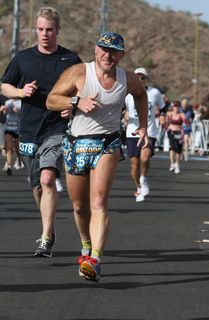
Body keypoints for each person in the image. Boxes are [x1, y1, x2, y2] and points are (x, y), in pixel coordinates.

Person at [46, 32, 148, 281]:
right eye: (103, 49)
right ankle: (85, 245)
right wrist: (76, 101)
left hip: (108, 145)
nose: (107, 55)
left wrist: (143, 125)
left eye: (113, 51)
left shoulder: (128, 79)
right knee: (80, 206)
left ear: (121, 55)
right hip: (76, 145)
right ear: (95, 50)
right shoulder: (80, 72)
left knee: (99, 202)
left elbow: (141, 95)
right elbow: (51, 100)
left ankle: (96, 258)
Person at [1, 6, 82, 257]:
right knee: (37, 186)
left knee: (48, 179)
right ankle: (48, 227)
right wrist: (20, 92)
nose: (44, 34)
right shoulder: (23, 58)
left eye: (49, 30)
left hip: (57, 129)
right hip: (28, 131)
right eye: (40, 30)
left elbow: (82, 90)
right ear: (35, 30)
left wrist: (73, 107)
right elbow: (5, 86)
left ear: (58, 30)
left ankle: (45, 238)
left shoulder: (71, 60)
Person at [124, 67, 166, 202]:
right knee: (134, 163)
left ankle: (143, 178)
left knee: (145, 158)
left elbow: (163, 108)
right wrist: (123, 114)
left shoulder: (154, 93)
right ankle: (138, 187)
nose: (139, 80)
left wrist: (163, 116)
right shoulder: (126, 93)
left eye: (142, 78)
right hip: (132, 131)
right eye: (137, 77)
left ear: (146, 79)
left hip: (149, 131)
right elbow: (119, 107)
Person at [166, 101, 189, 174]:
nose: (176, 108)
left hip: (179, 133)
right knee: (172, 147)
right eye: (175, 106)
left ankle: (177, 164)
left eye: (177, 106)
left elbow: (186, 123)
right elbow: (165, 122)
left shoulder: (181, 114)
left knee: (178, 150)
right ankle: (172, 163)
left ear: (179, 107)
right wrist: (166, 127)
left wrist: (186, 129)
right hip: (171, 132)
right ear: (172, 107)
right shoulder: (169, 114)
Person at [1, 99, 23, 175]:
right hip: (9, 128)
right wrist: (4, 110)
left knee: (17, 149)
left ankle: (19, 159)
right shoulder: (8, 102)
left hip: (17, 128)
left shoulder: (20, 102)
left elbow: (22, 114)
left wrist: (16, 110)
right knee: (9, 148)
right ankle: (9, 166)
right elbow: (5, 114)